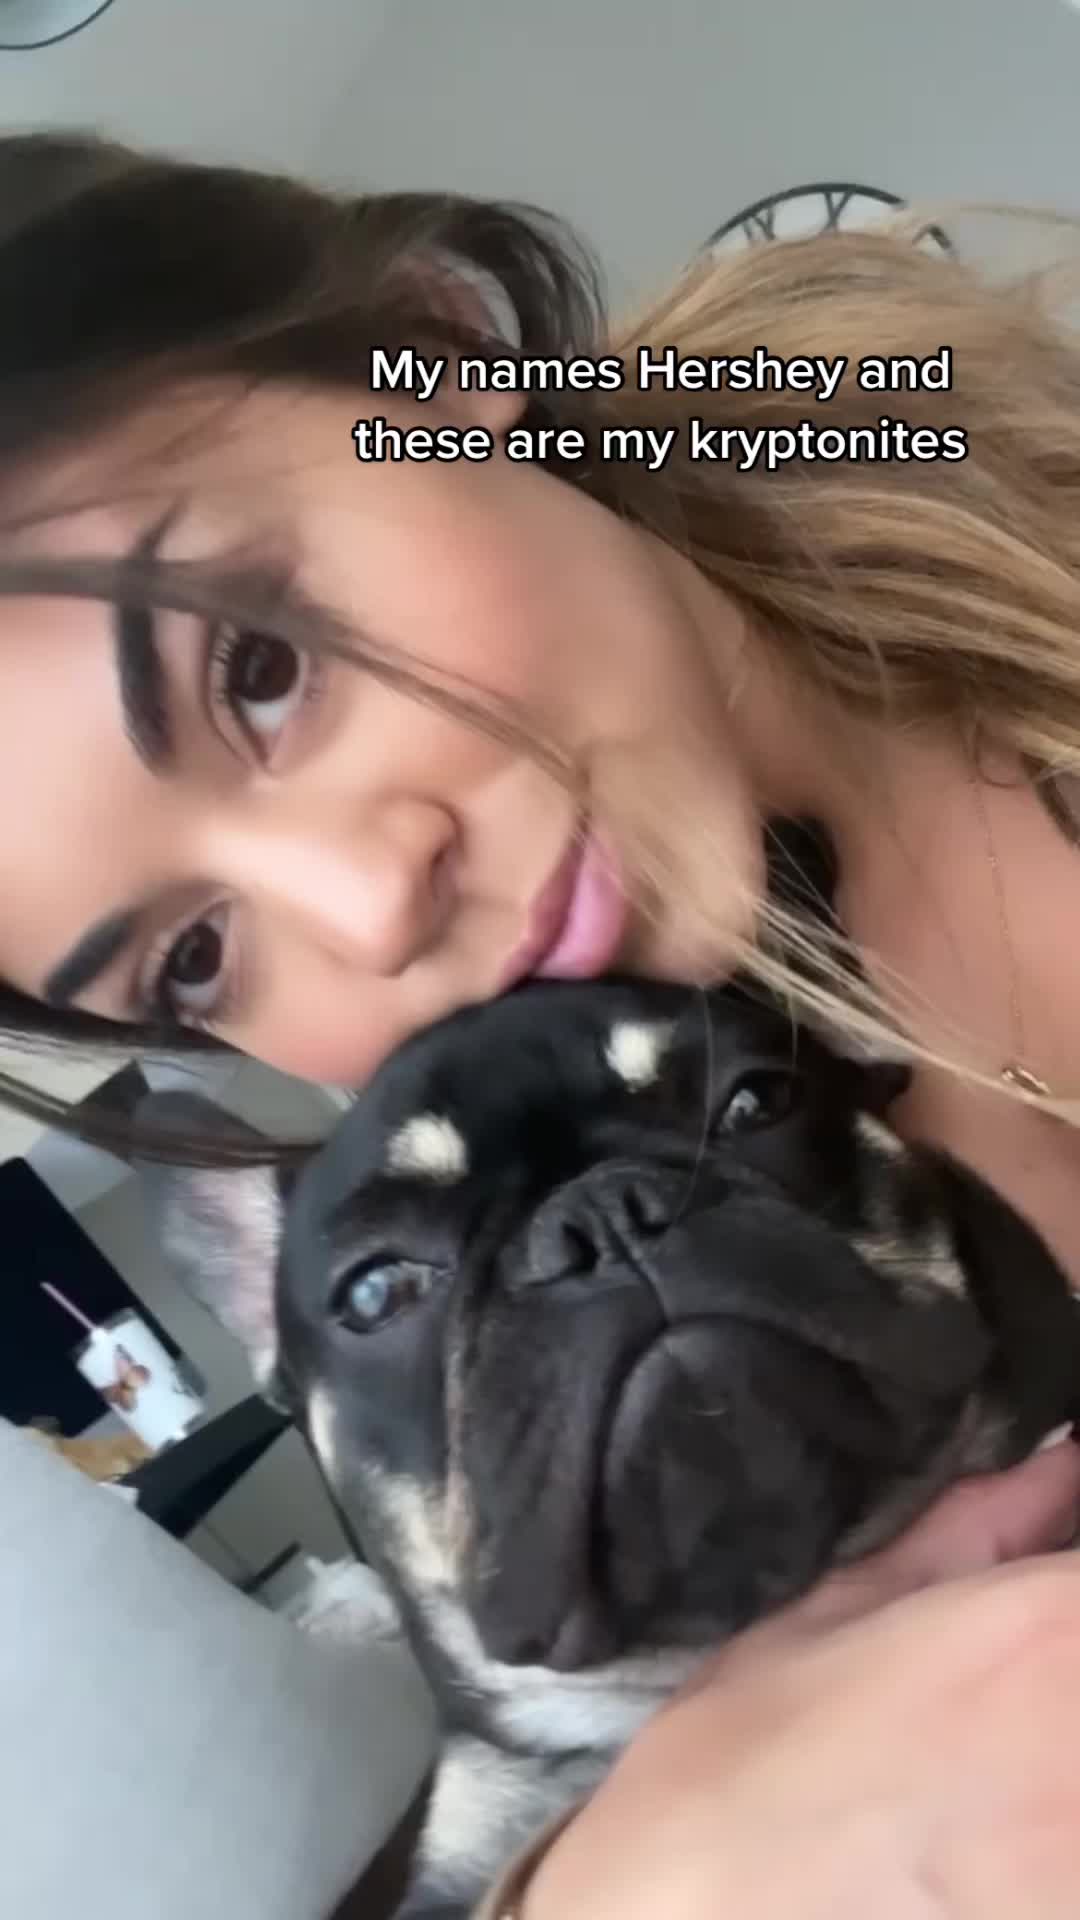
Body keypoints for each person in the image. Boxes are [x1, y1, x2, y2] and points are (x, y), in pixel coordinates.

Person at [3, 129, 1080, 1915]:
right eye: (193, 957)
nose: (367, 907)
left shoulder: (931, 448)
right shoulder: (630, 1231)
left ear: (432, 358)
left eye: (261, 669)